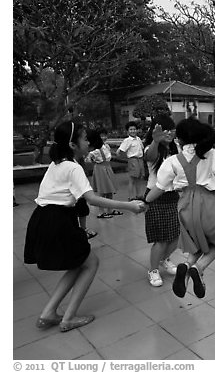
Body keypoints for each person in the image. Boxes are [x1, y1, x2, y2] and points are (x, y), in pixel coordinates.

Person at [24, 121, 146, 332]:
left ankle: (48, 313)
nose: (88, 141)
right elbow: (91, 199)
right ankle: (68, 318)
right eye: (84, 138)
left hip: (43, 218)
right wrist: (129, 206)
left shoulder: (57, 163)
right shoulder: (73, 167)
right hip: (58, 221)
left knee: (78, 263)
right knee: (91, 262)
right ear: (72, 144)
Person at [145, 118, 215, 299]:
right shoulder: (212, 155)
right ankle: (199, 268)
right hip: (209, 203)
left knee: (197, 244)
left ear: (180, 139)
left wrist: (145, 202)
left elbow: (159, 188)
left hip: (185, 206)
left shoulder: (173, 160)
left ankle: (187, 267)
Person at [143, 116, 180, 287]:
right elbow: (149, 157)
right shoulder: (152, 148)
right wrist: (155, 142)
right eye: (167, 130)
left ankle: (164, 259)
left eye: (172, 130)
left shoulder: (176, 147)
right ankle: (153, 270)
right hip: (156, 196)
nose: (171, 133)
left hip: (173, 196)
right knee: (161, 238)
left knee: (175, 236)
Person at [85, 129, 120, 219]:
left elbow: (109, 155)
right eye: (101, 136)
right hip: (100, 169)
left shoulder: (106, 146)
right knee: (102, 191)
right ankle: (101, 212)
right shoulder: (95, 149)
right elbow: (88, 158)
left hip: (108, 168)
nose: (103, 137)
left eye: (105, 135)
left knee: (109, 190)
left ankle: (110, 209)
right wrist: (91, 160)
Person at [117, 121, 146, 200]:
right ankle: (131, 197)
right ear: (127, 131)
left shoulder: (138, 139)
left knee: (139, 179)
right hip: (133, 160)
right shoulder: (127, 140)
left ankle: (139, 195)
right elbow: (119, 151)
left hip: (140, 160)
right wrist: (125, 158)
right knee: (132, 179)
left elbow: (142, 149)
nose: (133, 131)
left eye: (134, 129)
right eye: (131, 129)